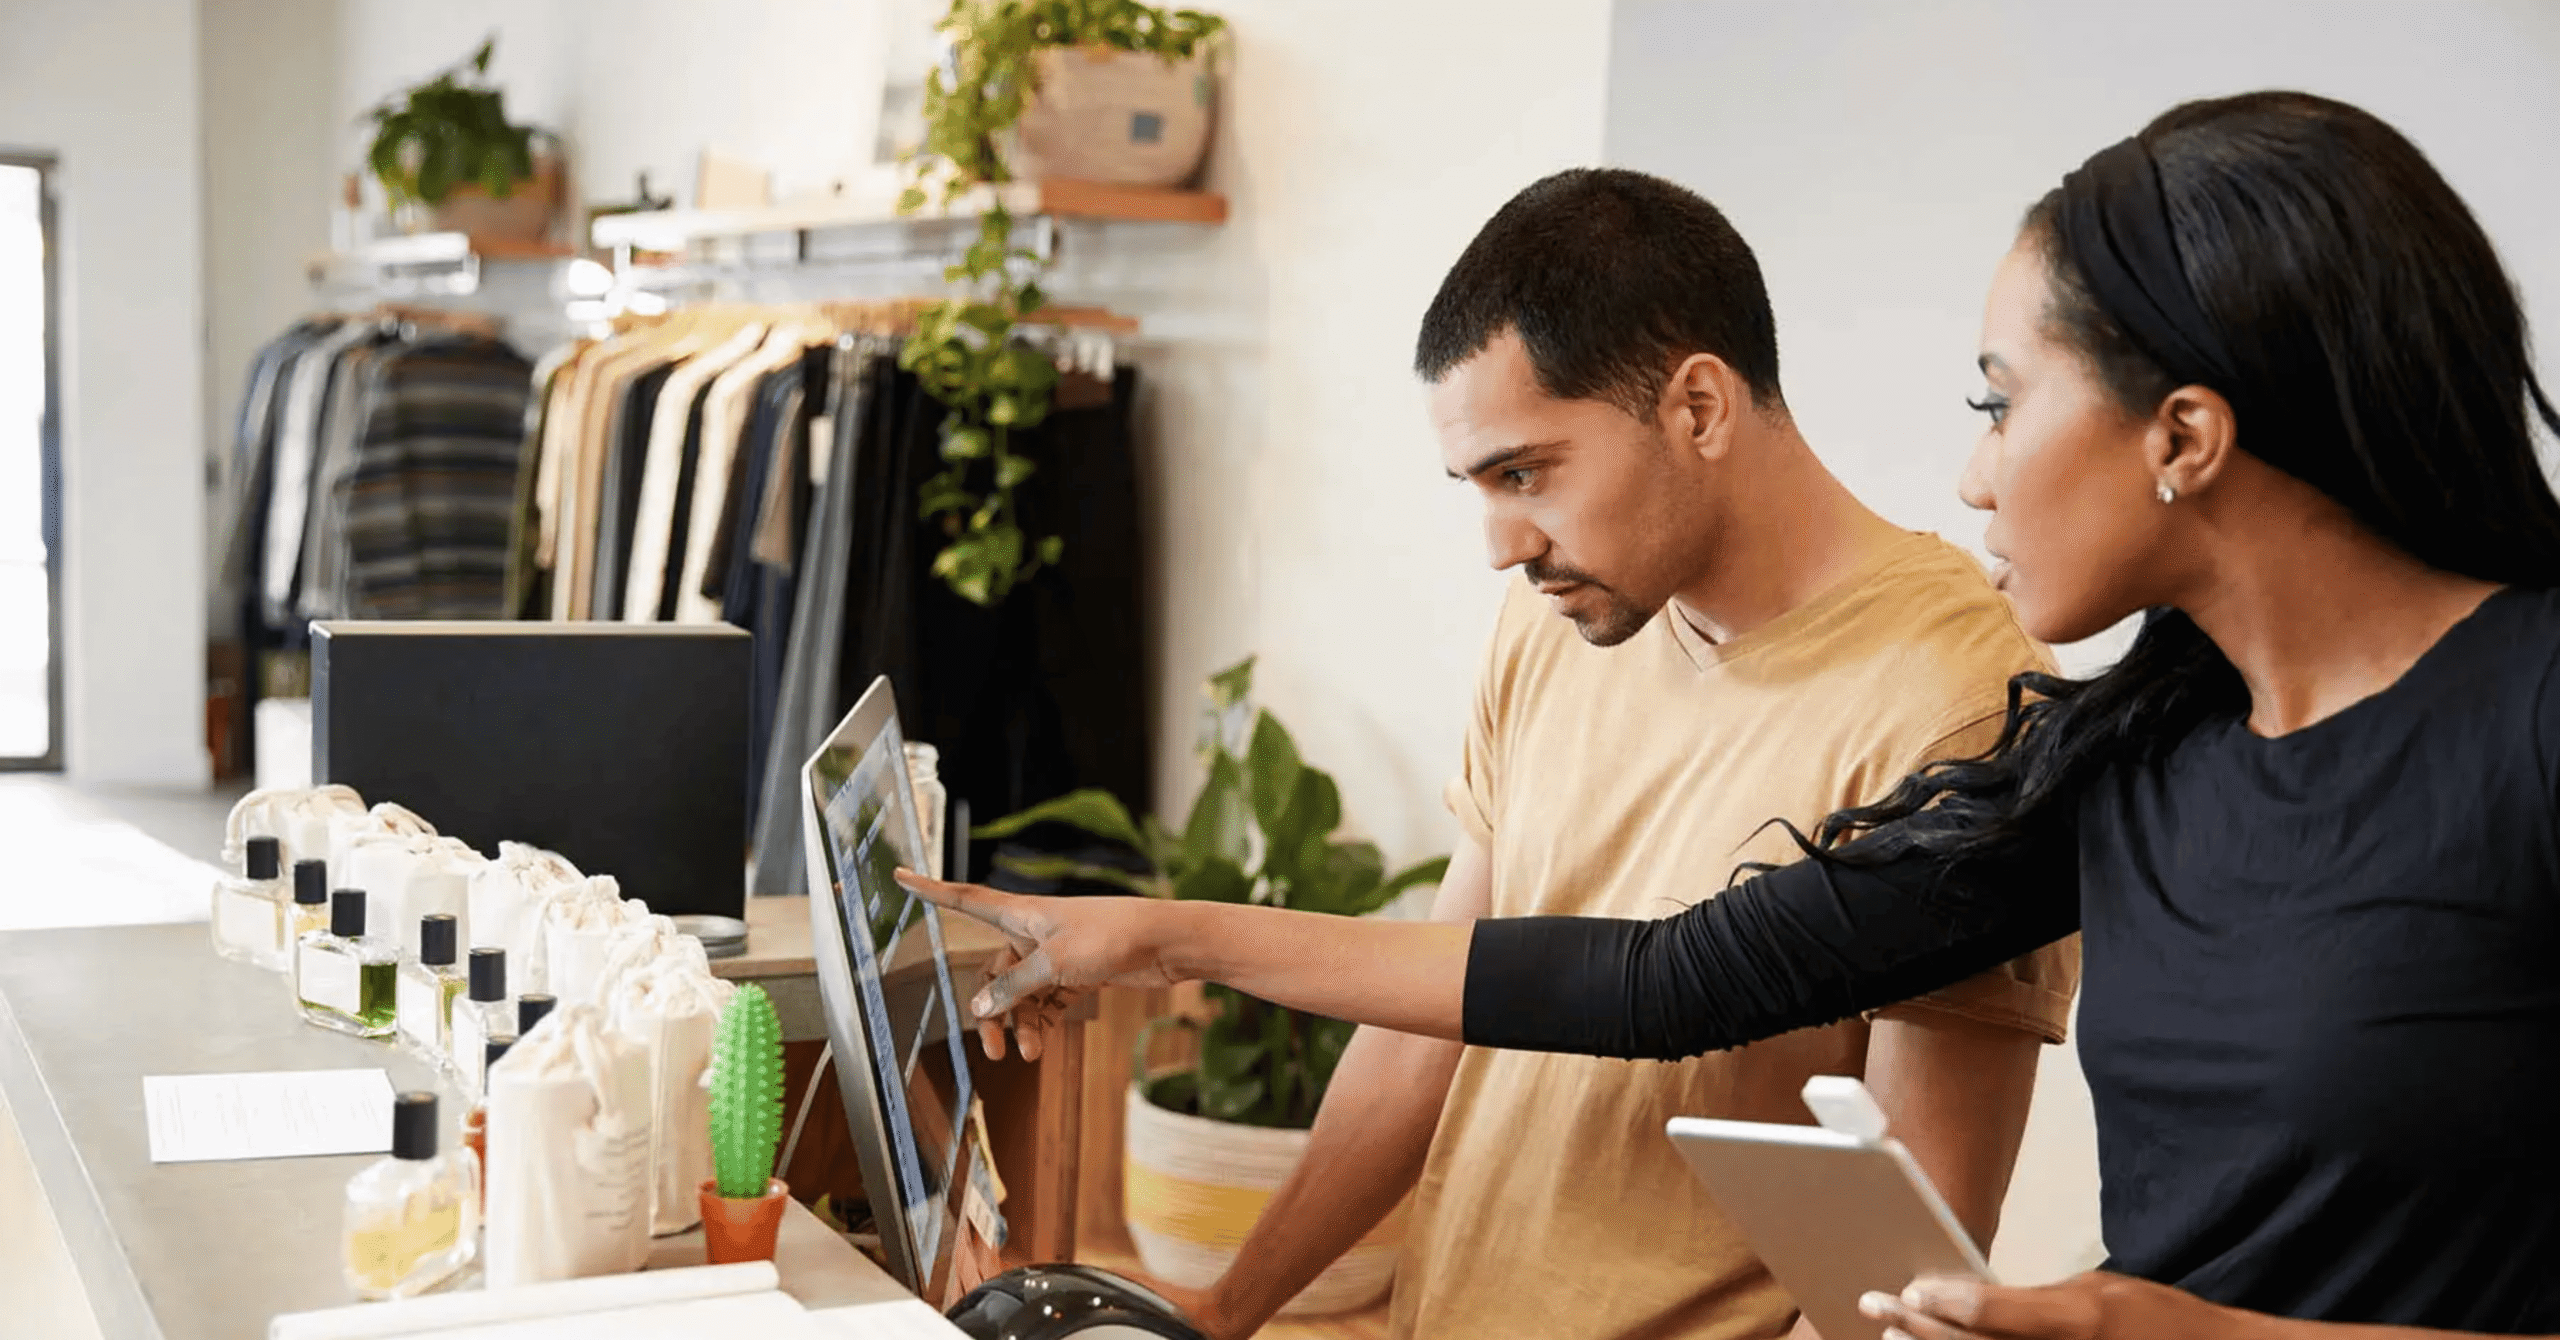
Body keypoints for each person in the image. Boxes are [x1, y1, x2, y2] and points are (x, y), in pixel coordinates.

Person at [901, 89, 2560, 1338]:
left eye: (2004, 402)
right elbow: (1671, 974)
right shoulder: (2134, 761)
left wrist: (2174, 1328)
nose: (1975, 466)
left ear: (2183, 436)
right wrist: (1172, 940)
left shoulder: (2527, 715)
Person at [1126, 168, 2086, 1340]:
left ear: (1697, 407)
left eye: (1525, 472)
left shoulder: (1957, 698)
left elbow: (1906, 1264)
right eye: (1477, 486)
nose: (1501, 543)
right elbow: (1427, 1025)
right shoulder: (1561, 617)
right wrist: (1227, 1305)